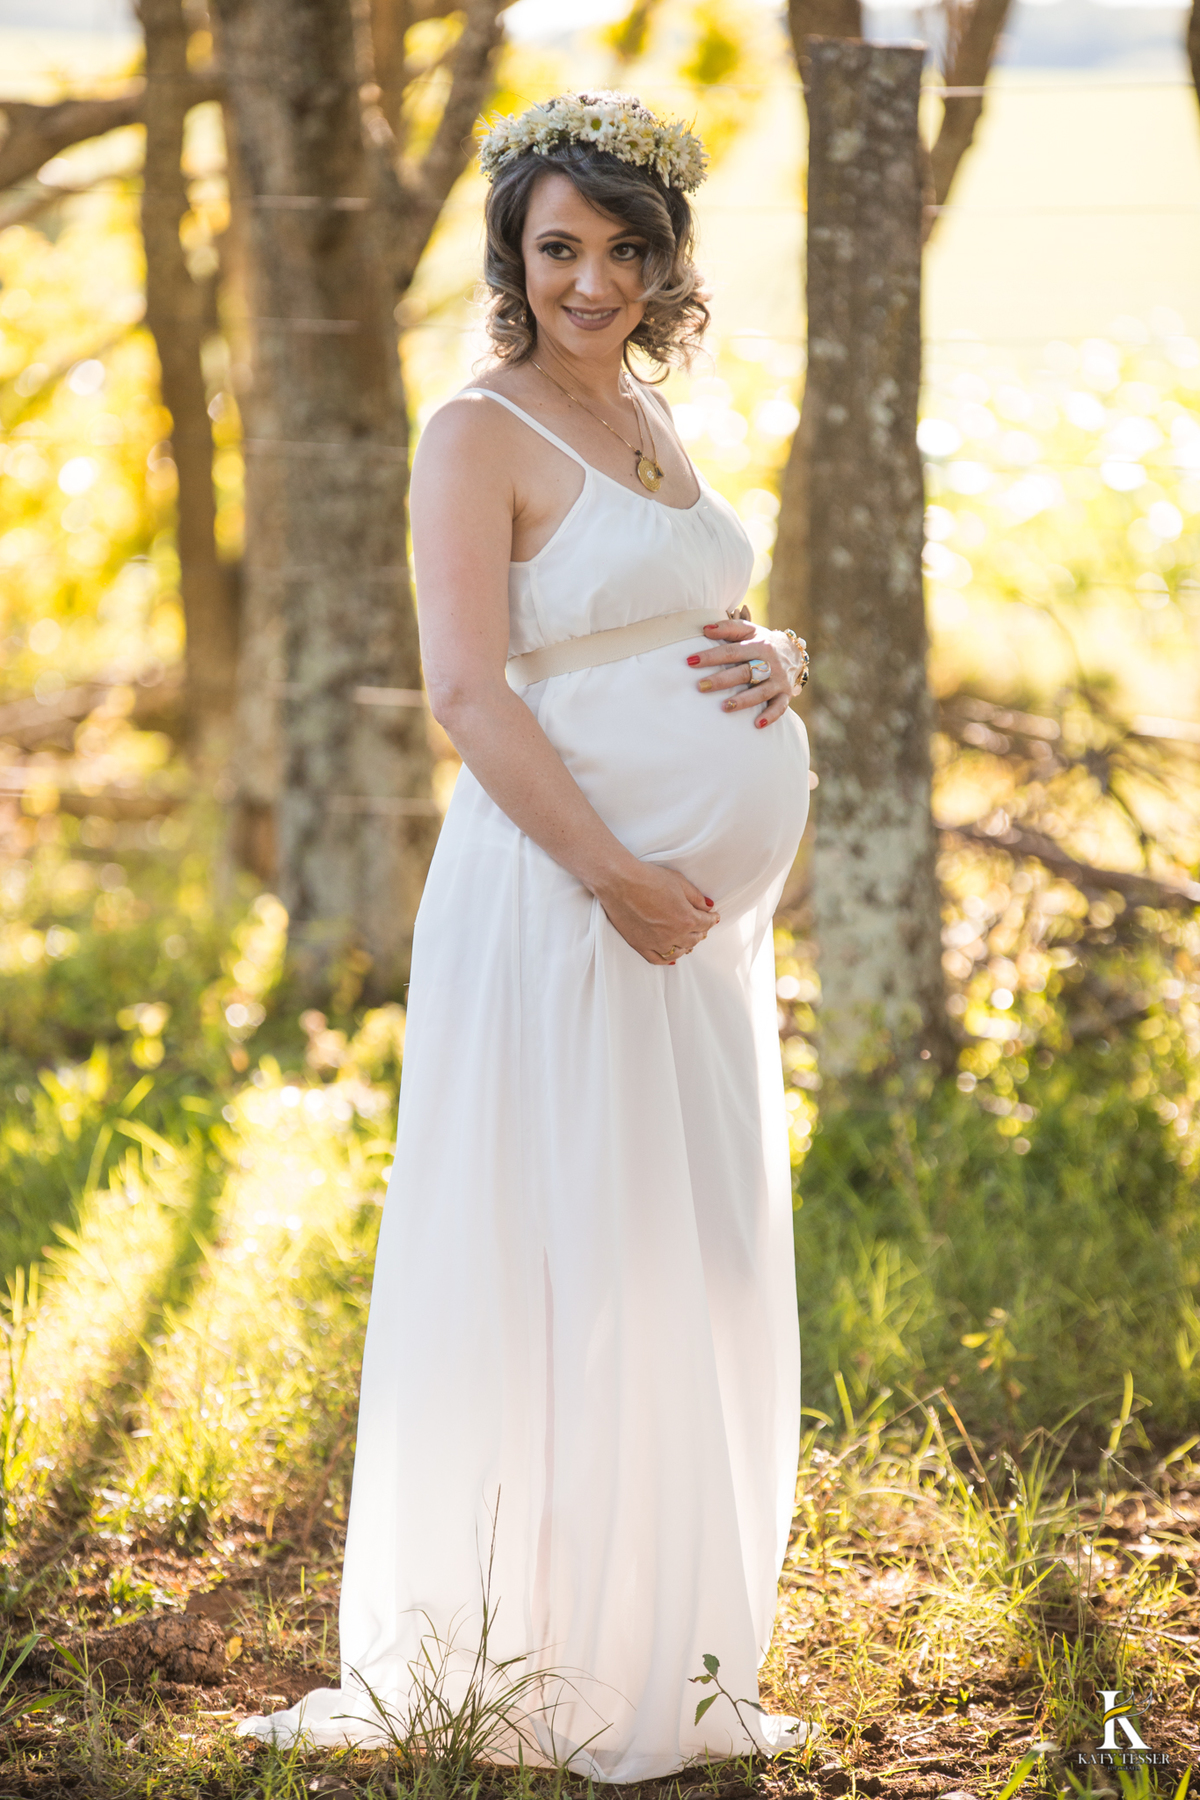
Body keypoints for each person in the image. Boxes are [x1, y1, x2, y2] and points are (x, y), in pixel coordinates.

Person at [237, 90, 813, 1780]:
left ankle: (657, 1635)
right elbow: (474, 695)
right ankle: (532, 1650)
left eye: (626, 251)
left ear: (663, 263)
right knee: (571, 1249)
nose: (593, 281)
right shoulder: (472, 434)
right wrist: (618, 874)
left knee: (675, 1250)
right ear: (516, 252)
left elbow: (676, 611)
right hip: (564, 904)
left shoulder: (645, 414)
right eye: (561, 248)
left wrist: (775, 661)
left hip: (689, 943)